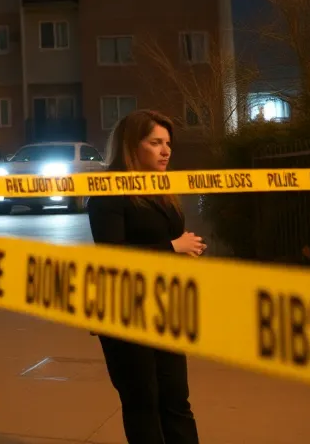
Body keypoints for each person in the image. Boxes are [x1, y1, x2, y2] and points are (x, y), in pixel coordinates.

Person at [86, 109, 206, 444]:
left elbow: (170, 245)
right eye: (155, 142)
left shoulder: (162, 190)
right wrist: (172, 247)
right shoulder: (108, 192)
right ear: (131, 146)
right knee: (143, 403)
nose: (166, 150)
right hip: (126, 312)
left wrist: (187, 251)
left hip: (165, 309)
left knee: (176, 400)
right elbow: (113, 254)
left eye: (168, 143)